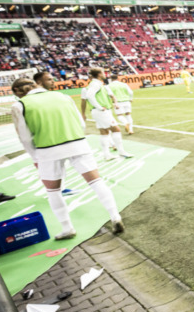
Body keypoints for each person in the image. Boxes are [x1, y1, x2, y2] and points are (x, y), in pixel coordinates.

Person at [10, 78, 124, 238]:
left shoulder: (19, 105)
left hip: (47, 149)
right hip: (77, 143)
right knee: (96, 182)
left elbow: (25, 137)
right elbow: (81, 124)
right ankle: (115, 216)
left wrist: (35, 157)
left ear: (16, 91)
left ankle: (67, 228)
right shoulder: (63, 97)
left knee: (53, 191)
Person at [80, 67, 133, 161]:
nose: (105, 74)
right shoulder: (96, 84)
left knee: (104, 132)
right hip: (101, 111)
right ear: (99, 74)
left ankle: (107, 155)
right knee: (116, 130)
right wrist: (99, 107)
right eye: (103, 72)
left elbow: (86, 98)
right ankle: (121, 152)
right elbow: (89, 95)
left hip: (97, 111)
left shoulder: (96, 84)